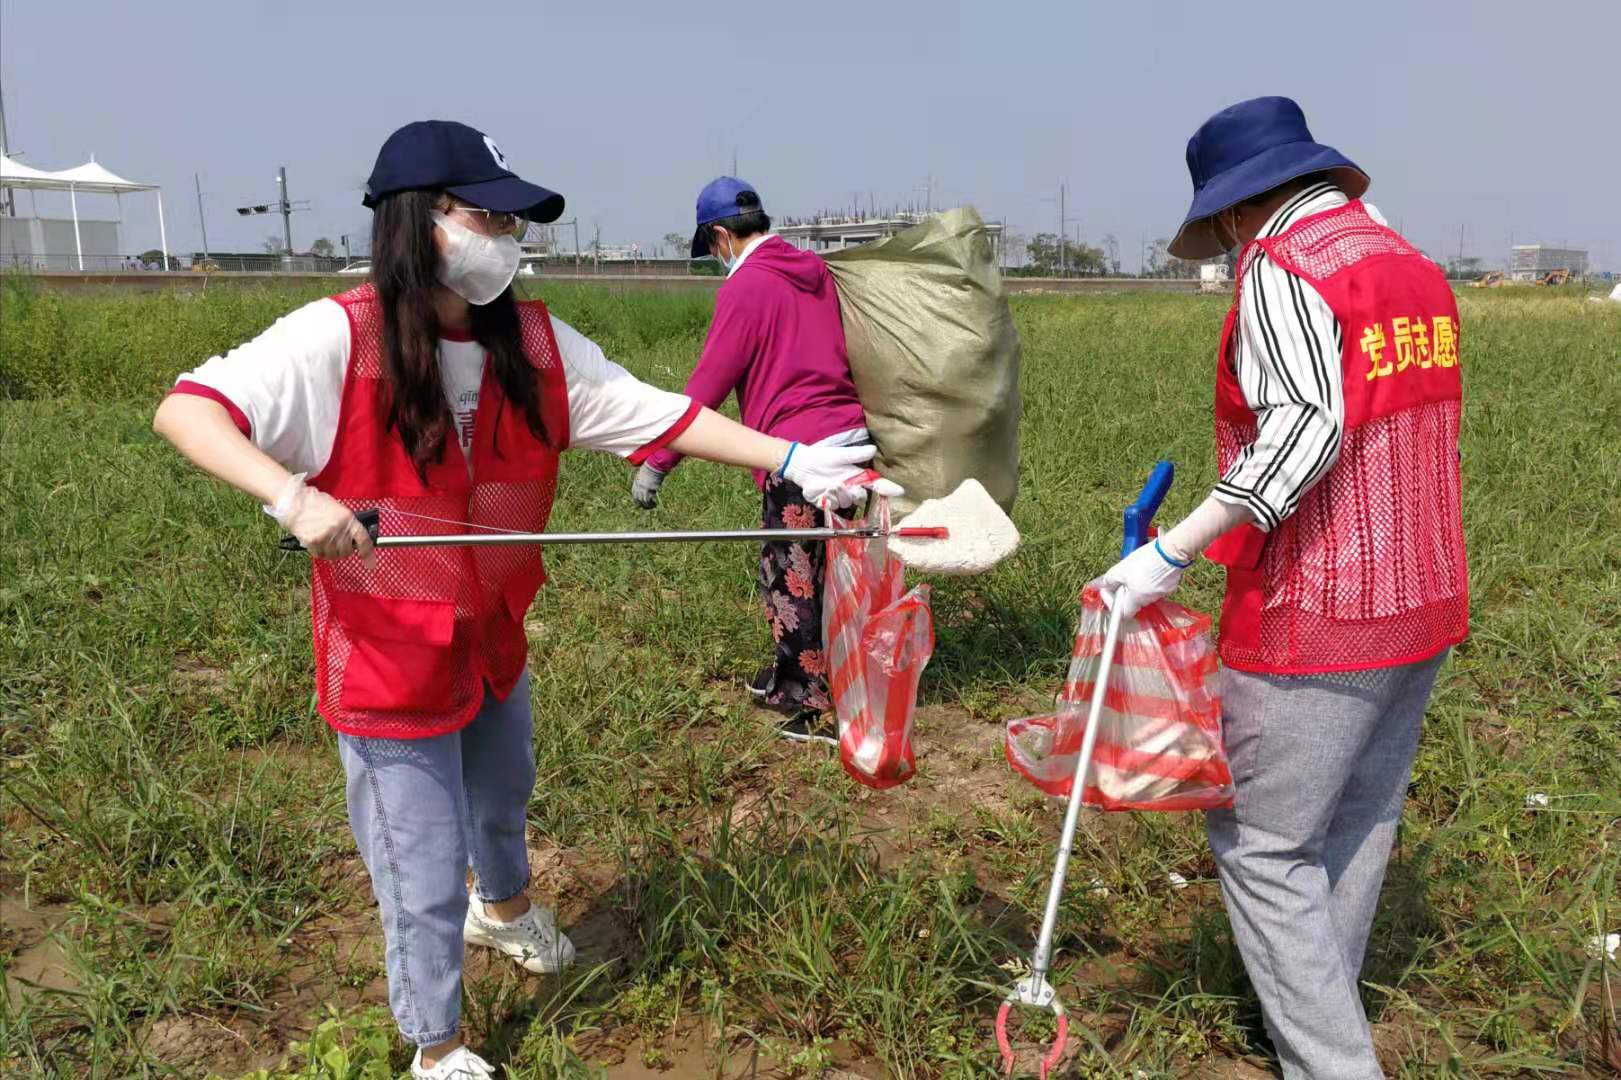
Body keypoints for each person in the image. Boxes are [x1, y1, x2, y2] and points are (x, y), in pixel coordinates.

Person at [152, 121, 890, 1080]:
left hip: (489, 631)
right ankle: (437, 1044)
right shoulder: (339, 337)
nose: (505, 234)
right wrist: (295, 498)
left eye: (512, 218)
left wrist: (792, 457)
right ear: (418, 220)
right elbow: (189, 410)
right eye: (485, 213)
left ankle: (501, 911)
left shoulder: (533, 344)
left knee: (503, 795)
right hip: (387, 656)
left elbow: (656, 410)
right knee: (416, 872)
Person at [1091, 97, 1468, 1078]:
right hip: (1421, 594)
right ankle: (1313, 1023)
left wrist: (1169, 552)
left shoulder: (1281, 266)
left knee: (1263, 848)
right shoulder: (1409, 263)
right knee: (1355, 822)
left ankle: (1330, 1064)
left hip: (1322, 604)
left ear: (1230, 212)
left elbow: (1302, 429)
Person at [629, 177, 878, 743]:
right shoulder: (813, 271)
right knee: (838, 573)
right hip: (854, 442)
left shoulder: (747, 288)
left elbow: (707, 387)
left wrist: (660, 460)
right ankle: (814, 674)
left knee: (790, 579)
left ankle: (811, 706)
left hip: (800, 456)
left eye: (713, 246)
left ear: (720, 235)